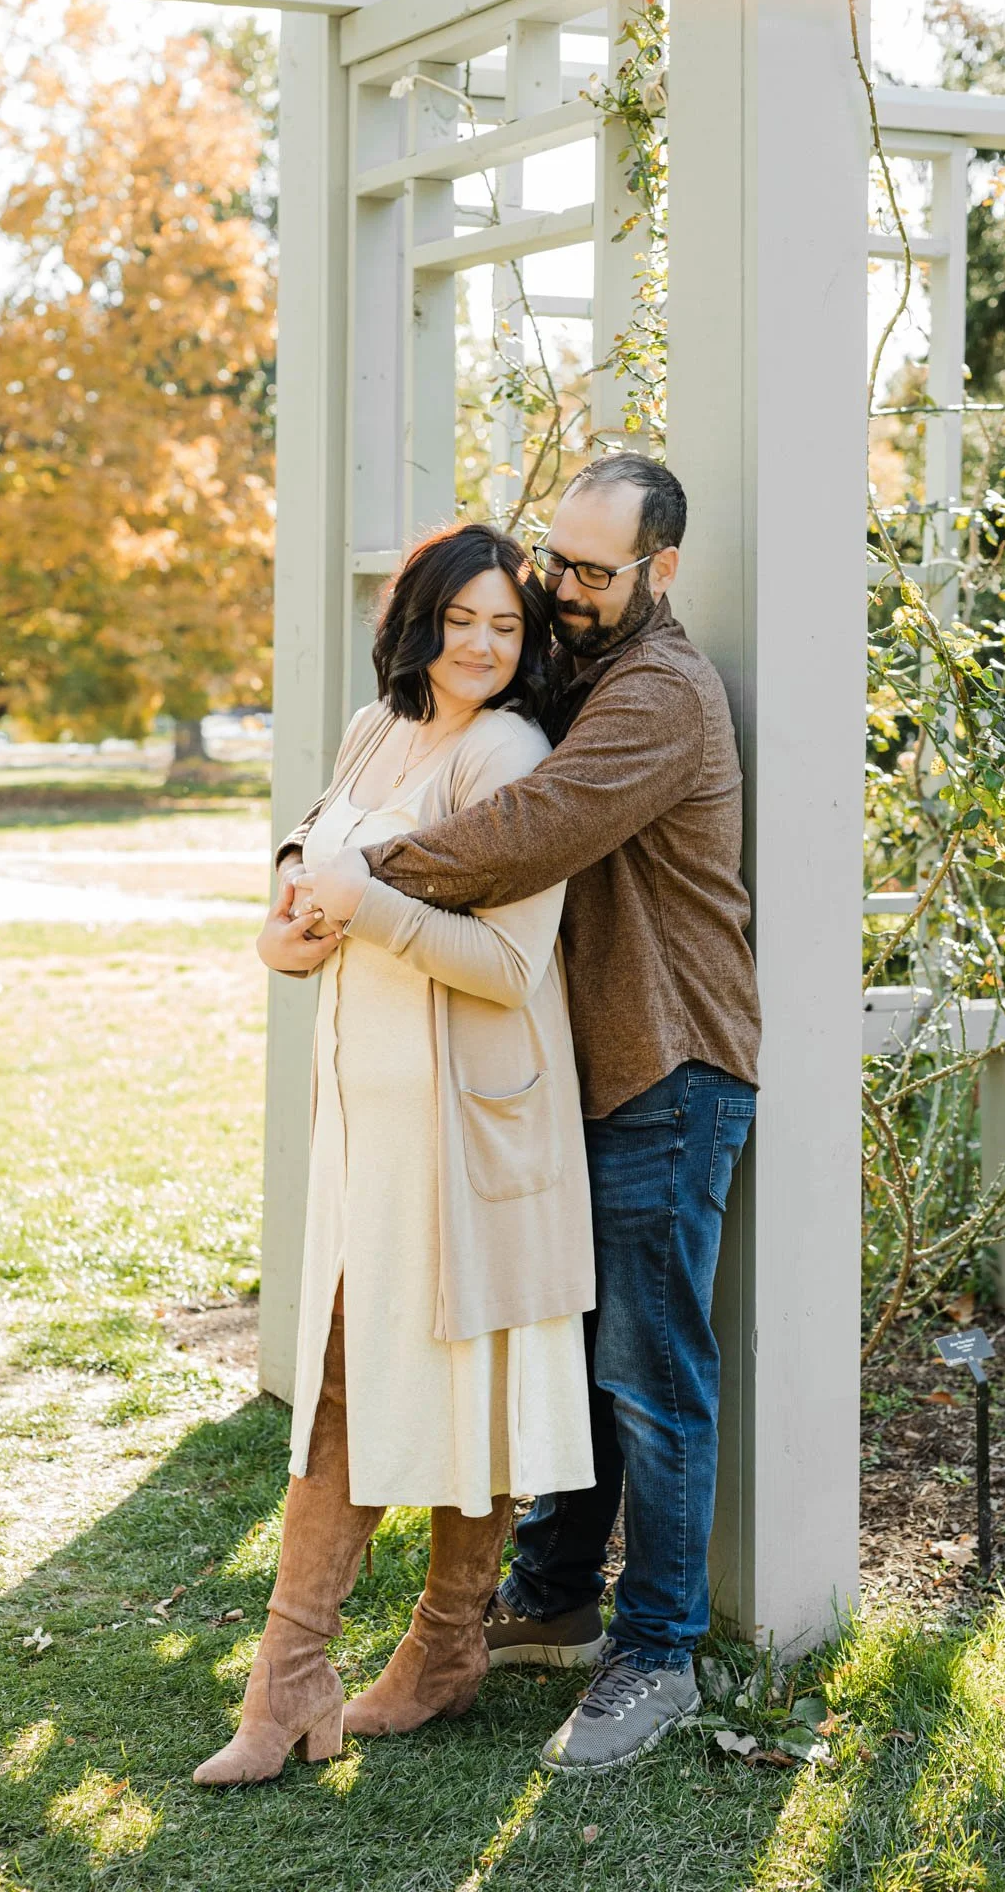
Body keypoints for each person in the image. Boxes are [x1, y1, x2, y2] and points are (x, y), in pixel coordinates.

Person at [301, 453, 761, 1774]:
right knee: (577, 1353)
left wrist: (349, 876)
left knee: (650, 1375)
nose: (561, 587)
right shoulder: (576, 663)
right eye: (555, 559)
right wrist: (313, 850)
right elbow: (432, 743)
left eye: (591, 571)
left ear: (661, 570)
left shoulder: (659, 693)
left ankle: (657, 1651)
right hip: (583, 1072)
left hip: (668, 1067)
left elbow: (526, 830)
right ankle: (554, 1597)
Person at [193, 522, 596, 1787]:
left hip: (465, 1130)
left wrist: (367, 907)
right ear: (416, 622)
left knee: (411, 1386)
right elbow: (310, 858)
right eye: (459, 620)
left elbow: (507, 966)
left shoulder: (508, 754)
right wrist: (287, 929)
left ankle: (345, 1668)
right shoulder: (378, 727)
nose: (479, 645)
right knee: (356, 1376)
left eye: (505, 627)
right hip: (362, 1127)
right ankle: (380, 1667)